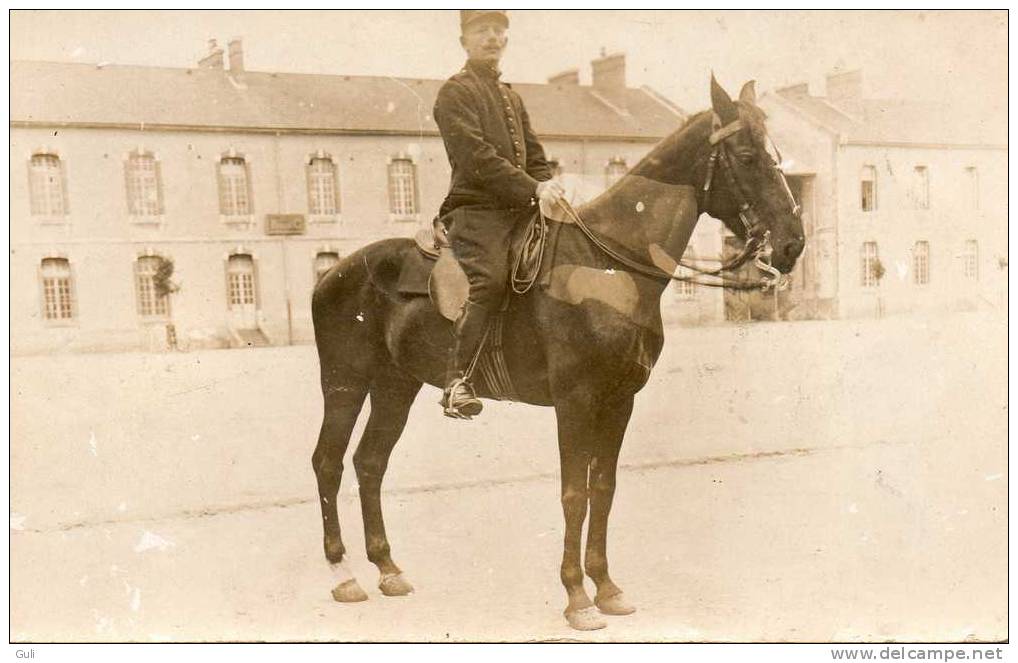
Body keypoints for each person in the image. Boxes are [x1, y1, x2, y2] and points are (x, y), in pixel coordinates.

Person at [433, 9, 565, 419]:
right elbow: (477, 158)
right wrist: (533, 187)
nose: (492, 37)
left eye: (498, 30)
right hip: (476, 211)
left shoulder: (511, 97)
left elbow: (536, 157)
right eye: (481, 30)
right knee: (489, 280)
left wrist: (549, 187)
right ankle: (457, 381)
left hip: (522, 209)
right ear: (464, 41)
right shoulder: (455, 92)